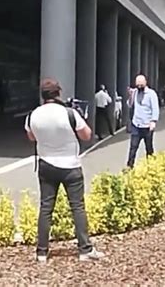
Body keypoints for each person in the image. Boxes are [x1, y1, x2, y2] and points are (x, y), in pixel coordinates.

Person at [25, 78, 105, 263]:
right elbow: (87, 135)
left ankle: (42, 252)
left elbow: (31, 137)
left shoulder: (33, 115)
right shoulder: (69, 113)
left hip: (46, 164)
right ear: (58, 93)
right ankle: (85, 249)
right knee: (77, 207)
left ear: (42, 95)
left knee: (46, 208)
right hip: (70, 165)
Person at [126, 75, 160, 168]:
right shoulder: (135, 93)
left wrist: (153, 121)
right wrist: (130, 96)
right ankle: (129, 166)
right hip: (136, 125)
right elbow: (129, 105)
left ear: (145, 83)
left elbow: (155, 108)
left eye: (141, 85)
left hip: (147, 126)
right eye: (138, 85)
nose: (139, 87)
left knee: (149, 147)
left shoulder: (151, 94)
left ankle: (151, 166)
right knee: (133, 147)